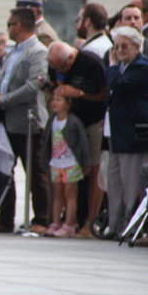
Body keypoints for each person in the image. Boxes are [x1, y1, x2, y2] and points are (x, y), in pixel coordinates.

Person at [0, 7, 50, 234]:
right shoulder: (13, 51)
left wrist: (4, 99)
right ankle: (5, 219)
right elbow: (1, 78)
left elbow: (34, 85)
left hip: (28, 121)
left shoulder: (37, 51)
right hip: (7, 120)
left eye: (10, 24)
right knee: (4, 168)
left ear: (19, 26)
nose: (8, 28)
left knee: (35, 172)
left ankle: (42, 219)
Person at [44, 42, 108, 237]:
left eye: (60, 68)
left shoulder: (90, 63)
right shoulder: (56, 62)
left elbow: (105, 93)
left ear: (70, 58)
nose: (57, 70)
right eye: (53, 68)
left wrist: (79, 93)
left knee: (94, 169)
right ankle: (66, 220)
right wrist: (50, 86)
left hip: (93, 120)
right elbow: (57, 83)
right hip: (71, 122)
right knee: (70, 177)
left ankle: (90, 221)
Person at [104, 26, 148, 237]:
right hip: (118, 133)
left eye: (124, 46)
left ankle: (131, 226)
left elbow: (118, 84)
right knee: (115, 183)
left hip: (134, 134)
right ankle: (115, 225)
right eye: (116, 47)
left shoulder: (142, 66)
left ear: (137, 47)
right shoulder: (124, 66)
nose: (119, 50)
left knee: (131, 183)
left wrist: (111, 66)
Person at [42, 94, 90, 238]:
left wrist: (85, 163)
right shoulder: (52, 120)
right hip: (56, 163)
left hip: (71, 163)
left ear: (68, 104)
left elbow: (83, 144)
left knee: (69, 194)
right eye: (53, 99)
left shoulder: (74, 122)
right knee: (57, 194)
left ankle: (69, 224)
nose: (54, 102)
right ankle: (55, 222)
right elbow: (46, 141)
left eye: (58, 100)